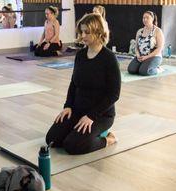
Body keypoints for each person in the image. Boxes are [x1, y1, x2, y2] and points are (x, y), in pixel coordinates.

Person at [46, 13, 120, 155]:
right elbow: (74, 84)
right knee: (52, 140)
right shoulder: (80, 55)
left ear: (98, 32)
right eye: (82, 32)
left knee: (72, 146)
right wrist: (67, 106)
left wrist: (91, 116)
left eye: (87, 32)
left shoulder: (109, 58)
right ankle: (78, 130)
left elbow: (114, 94)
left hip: (100, 114)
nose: (83, 35)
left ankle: (108, 139)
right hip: (78, 110)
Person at [127, 11, 165, 76]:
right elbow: (136, 47)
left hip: (154, 56)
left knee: (144, 71)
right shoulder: (139, 31)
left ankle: (158, 69)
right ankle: (143, 65)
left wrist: (147, 57)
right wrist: (138, 55)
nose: (145, 19)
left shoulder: (158, 31)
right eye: (143, 18)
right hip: (141, 56)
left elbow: (159, 48)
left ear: (152, 19)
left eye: (147, 18)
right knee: (131, 70)